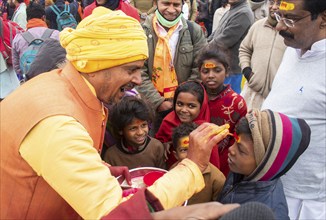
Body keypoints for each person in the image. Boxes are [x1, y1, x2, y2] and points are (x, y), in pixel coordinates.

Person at [0, 7, 240, 219]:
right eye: (131, 69)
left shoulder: (61, 85)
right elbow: (117, 214)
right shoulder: (57, 123)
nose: (138, 80)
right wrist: (192, 166)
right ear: (97, 64)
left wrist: (102, 171)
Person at [261, 0, 326, 219]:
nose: (279, 27)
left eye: (290, 19)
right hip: (273, 186)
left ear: (323, 19)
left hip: (309, 202)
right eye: (279, 17)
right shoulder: (294, 48)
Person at [218, 109, 311, 220]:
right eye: (235, 140)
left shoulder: (271, 213)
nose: (231, 150)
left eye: (241, 150)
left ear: (265, 163)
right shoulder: (240, 171)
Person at [136, 0, 207, 136]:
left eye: (176, 5)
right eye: (166, 4)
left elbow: (199, 68)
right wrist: (158, 102)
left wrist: (180, 101)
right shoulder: (142, 31)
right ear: (156, 3)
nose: (171, 9)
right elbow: (139, 71)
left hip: (183, 108)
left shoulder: (193, 31)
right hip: (150, 107)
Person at [197, 43, 247, 177]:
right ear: (199, 72)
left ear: (227, 71)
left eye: (217, 70)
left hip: (223, 163)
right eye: (205, 71)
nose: (211, 75)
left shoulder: (236, 103)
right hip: (192, 157)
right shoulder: (193, 96)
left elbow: (239, 138)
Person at [155, 80, 221, 169]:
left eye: (191, 106)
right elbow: (159, 144)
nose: (184, 110)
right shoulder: (168, 122)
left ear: (202, 107)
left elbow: (212, 166)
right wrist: (164, 145)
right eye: (180, 104)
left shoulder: (206, 131)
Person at [239, 0, 286, 110]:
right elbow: (244, 49)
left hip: (277, 97)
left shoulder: (290, 31)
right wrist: (247, 71)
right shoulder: (258, 26)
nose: (273, 7)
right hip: (252, 93)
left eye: (278, 3)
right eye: (271, 3)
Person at [104, 96, 166, 169]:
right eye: (133, 128)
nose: (140, 132)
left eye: (143, 125)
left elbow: (162, 175)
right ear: (120, 130)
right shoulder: (111, 156)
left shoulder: (156, 147)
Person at [171, 122, 226, 205]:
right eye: (184, 150)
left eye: (195, 147)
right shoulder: (172, 172)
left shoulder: (217, 179)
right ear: (176, 155)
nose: (191, 154)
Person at [207, 0, 254, 94]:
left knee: (228, 104)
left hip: (232, 70)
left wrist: (203, 50)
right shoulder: (232, 9)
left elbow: (223, 41)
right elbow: (215, 34)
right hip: (221, 66)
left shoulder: (243, 13)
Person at [12, 2, 59, 78]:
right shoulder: (56, 35)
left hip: (31, 82)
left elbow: (17, 67)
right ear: (43, 17)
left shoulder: (18, 39)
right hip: (53, 80)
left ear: (27, 19)